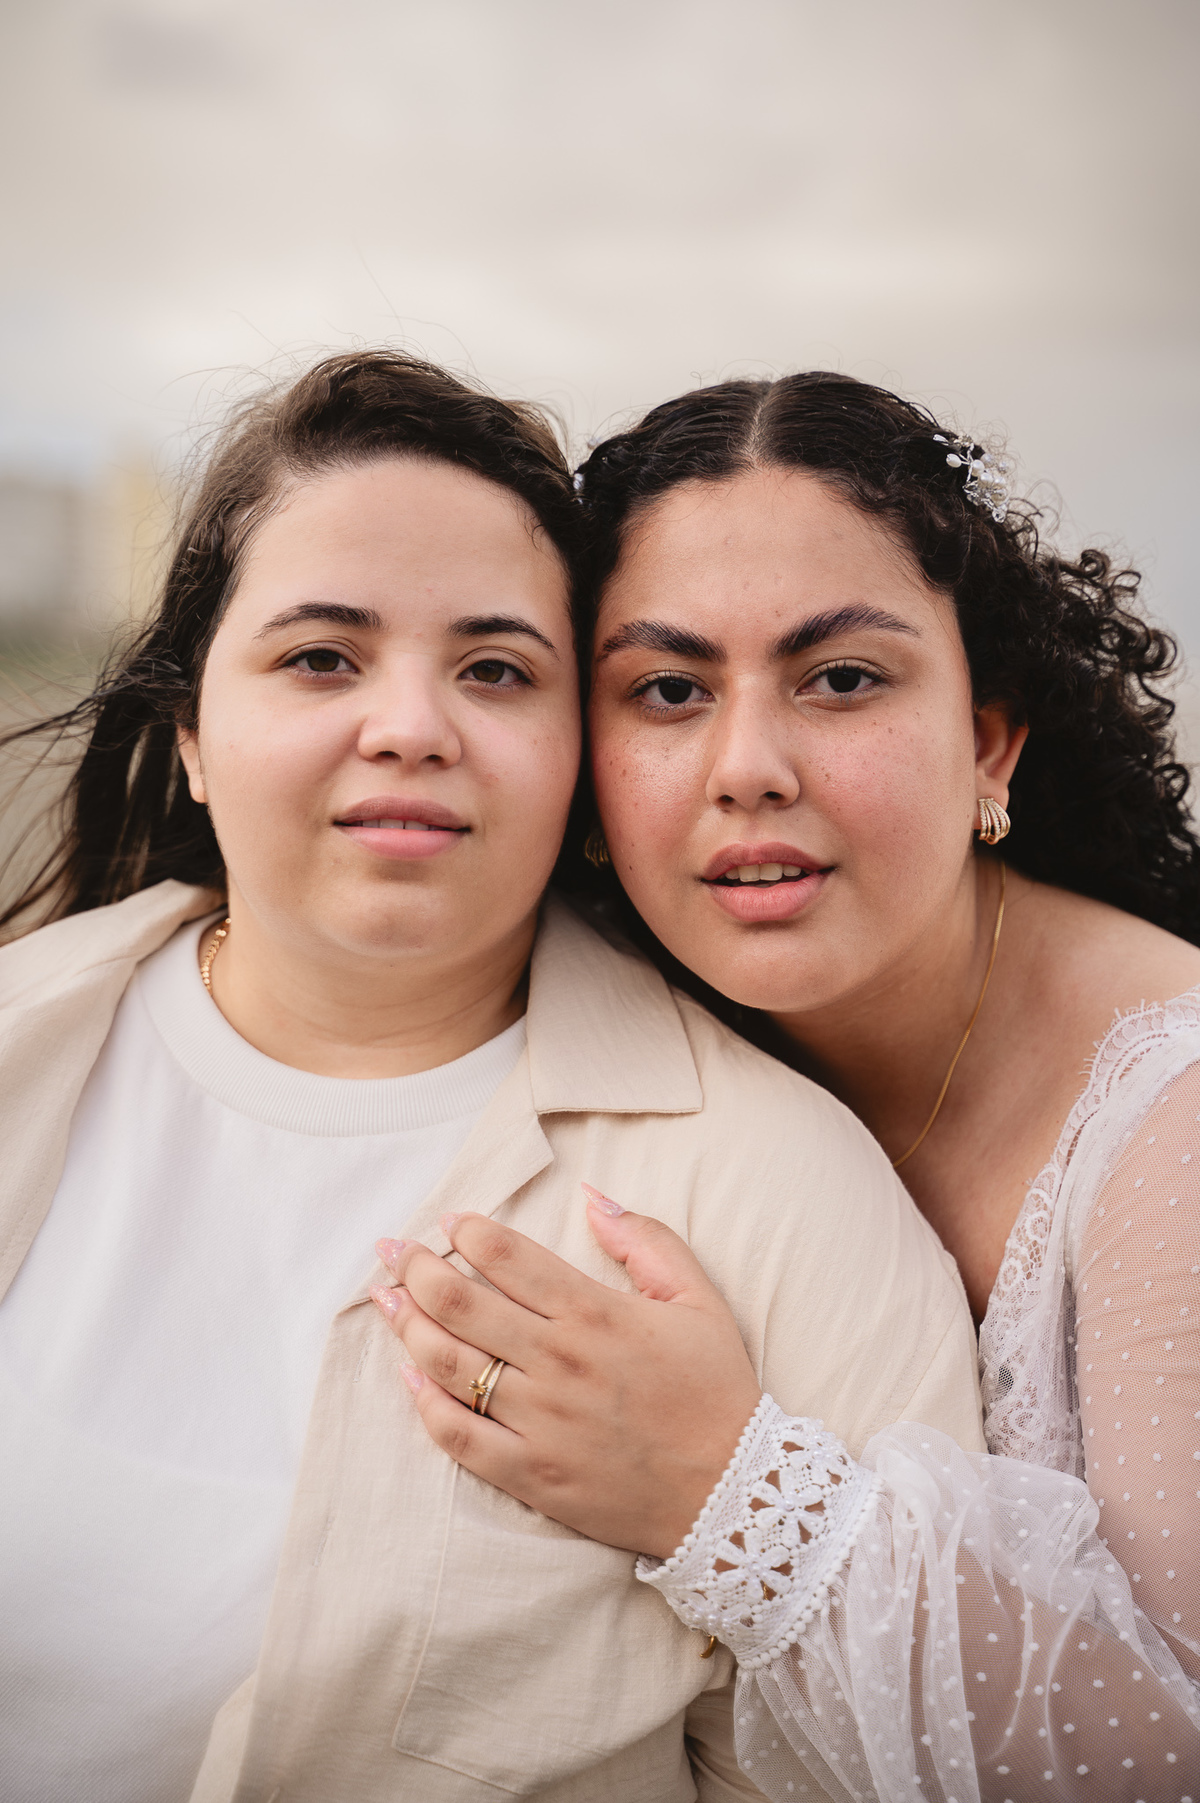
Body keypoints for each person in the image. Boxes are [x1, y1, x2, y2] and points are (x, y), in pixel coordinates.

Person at [0, 353, 984, 1803]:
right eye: (321, 656)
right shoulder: (28, 1041)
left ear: (579, 755)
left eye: (495, 669)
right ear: (193, 733)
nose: (411, 727)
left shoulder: (783, 1194)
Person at [378, 374, 1200, 1801]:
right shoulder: (619, 1036)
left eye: (841, 679)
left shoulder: (1170, 1127)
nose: (746, 767)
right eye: (670, 691)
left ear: (991, 742)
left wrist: (729, 1492)